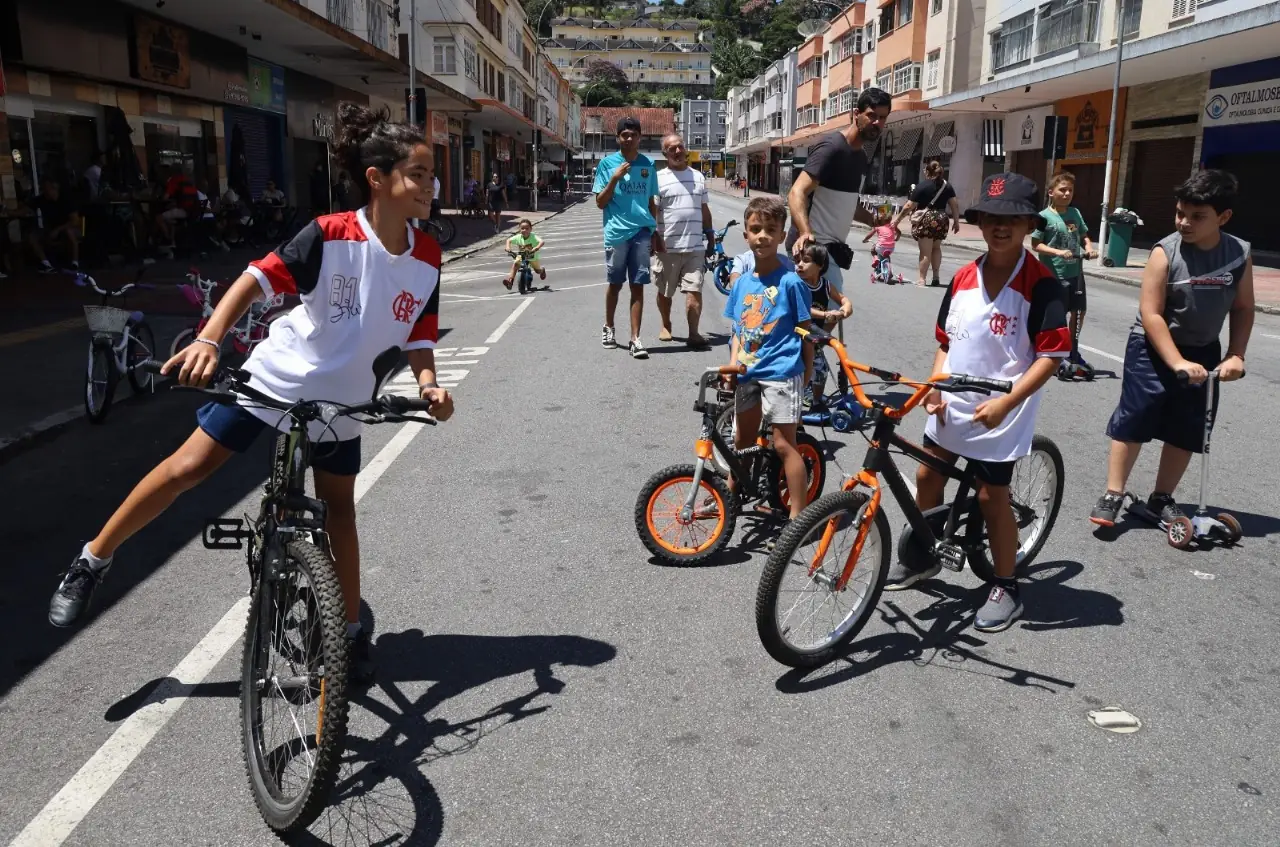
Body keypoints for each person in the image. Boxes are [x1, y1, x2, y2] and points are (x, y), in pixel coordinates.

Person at [45, 102, 455, 685]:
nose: (429, 186)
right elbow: (255, 279)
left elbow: (418, 332)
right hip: (276, 381)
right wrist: (210, 340)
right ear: (377, 179)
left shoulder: (428, 254)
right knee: (187, 468)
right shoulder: (330, 235)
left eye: (431, 174)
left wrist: (428, 382)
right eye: (418, 173)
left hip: (343, 403)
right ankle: (91, 561)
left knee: (340, 511)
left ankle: (353, 630)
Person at [884, 173, 1070, 633]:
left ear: (1029, 223)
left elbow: (1051, 357)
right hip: (954, 400)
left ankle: (1006, 585)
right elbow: (946, 341)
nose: (999, 227)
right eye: (990, 218)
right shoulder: (964, 277)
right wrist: (935, 384)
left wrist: (1008, 404)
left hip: (1003, 408)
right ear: (980, 223)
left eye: (1012, 219)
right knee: (928, 473)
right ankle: (926, 554)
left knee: (991, 496)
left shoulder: (1041, 283)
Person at [1089, 170, 1253, 528]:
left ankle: (1161, 498)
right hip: (1152, 347)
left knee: (1189, 425)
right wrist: (1176, 359)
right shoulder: (1166, 252)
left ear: (1223, 218)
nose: (1185, 223)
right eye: (1180, 213)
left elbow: (1242, 308)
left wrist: (1236, 354)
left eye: (1197, 216)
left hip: (1204, 349)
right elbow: (1151, 313)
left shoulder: (1239, 254)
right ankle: (1113, 493)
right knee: (1136, 415)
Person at [723, 196, 815, 525]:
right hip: (747, 373)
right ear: (746, 235)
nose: (762, 235)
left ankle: (798, 517)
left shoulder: (791, 281)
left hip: (781, 373)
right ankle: (731, 498)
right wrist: (733, 365)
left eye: (770, 230)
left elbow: (805, 331)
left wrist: (807, 370)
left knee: (783, 444)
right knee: (742, 441)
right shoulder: (743, 284)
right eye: (755, 229)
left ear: (782, 235)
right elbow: (737, 330)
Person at [788, 87, 892, 296]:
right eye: (872, 115)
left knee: (818, 317)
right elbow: (796, 192)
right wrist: (806, 232)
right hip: (814, 248)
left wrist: (874, 220)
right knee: (831, 311)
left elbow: (848, 205)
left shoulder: (861, 157)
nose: (877, 123)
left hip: (833, 249)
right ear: (856, 113)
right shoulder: (832, 148)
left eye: (882, 118)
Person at [593, 116, 660, 359]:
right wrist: (614, 179)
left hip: (642, 232)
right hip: (616, 234)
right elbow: (600, 203)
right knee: (615, 283)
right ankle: (609, 328)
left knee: (638, 285)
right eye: (624, 134)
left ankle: (635, 339)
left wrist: (654, 232)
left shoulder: (648, 165)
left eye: (633, 134)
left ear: (640, 137)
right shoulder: (607, 165)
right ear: (618, 137)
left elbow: (652, 201)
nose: (629, 138)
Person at [1031, 171, 1098, 373]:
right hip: (1054, 274)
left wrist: (1088, 248)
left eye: (1070, 190)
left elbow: (1084, 235)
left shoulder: (1075, 213)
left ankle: (1071, 349)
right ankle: (1051, 351)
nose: (1067, 193)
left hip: (1075, 272)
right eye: (1063, 189)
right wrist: (1058, 252)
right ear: (1051, 192)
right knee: (1056, 314)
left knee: (1078, 312)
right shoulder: (1043, 217)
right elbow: (1036, 244)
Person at [652, 132, 712, 349]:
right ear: (665, 153)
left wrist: (711, 236)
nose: (678, 151)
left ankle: (693, 333)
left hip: (695, 246)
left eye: (680, 146)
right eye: (672, 149)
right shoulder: (658, 178)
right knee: (665, 291)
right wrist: (653, 239)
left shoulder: (698, 177)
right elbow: (654, 211)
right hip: (667, 246)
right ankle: (666, 324)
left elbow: (704, 209)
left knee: (695, 289)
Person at [797, 243, 851, 407]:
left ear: (820, 266)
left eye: (805, 261)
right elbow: (802, 309)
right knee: (798, 370)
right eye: (798, 260)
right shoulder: (796, 283)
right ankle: (796, 399)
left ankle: (816, 401)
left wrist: (845, 309)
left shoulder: (825, 285)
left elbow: (843, 299)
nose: (800, 264)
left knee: (820, 369)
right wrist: (826, 314)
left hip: (815, 338)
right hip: (797, 335)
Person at [892, 159, 961, 287]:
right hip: (942, 219)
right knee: (936, 248)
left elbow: (909, 206)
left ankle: (922, 279)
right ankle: (936, 277)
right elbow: (954, 205)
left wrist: (897, 220)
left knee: (925, 251)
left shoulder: (922, 186)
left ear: (928, 172)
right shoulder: (947, 186)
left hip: (927, 220)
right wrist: (956, 222)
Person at [26, 180, 82, 273]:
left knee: (69, 232)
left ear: (54, 189)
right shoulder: (42, 199)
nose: (45, 192)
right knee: (32, 236)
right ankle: (46, 263)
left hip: (69, 228)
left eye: (48, 190)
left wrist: (58, 229)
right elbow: (26, 208)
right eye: (44, 189)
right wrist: (11, 211)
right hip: (50, 229)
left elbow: (74, 221)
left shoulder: (66, 200)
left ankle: (75, 263)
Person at [503, 218, 547, 289]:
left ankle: (542, 270)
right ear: (519, 229)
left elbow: (542, 242)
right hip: (522, 255)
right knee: (515, 264)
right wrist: (508, 247)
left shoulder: (533, 236)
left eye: (527, 228)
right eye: (522, 228)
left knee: (537, 270)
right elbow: (509, 240)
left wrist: (537, 248)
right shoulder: (518, 237)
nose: (524, 230)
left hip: (532, 256)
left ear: (531, 229)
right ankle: (510, 281)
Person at [861, 208, 900, 284]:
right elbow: (899, 233)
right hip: (891, 248)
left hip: (881, 247)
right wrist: (896, 238)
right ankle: (889, 270)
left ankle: (876, 260)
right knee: (886, 256)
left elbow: (869, 235)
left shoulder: (878, 227)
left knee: (873, 250)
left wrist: (865, 240)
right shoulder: (892, 226)